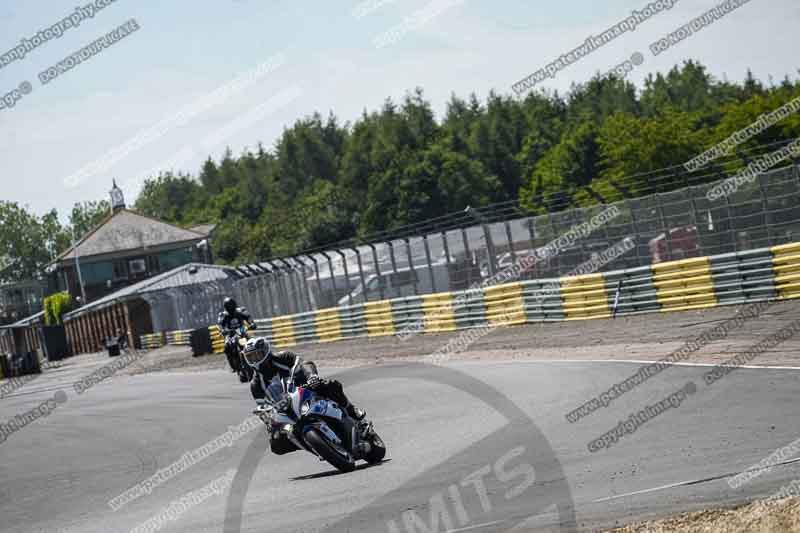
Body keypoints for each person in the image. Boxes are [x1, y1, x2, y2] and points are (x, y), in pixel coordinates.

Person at [241, 337, 365, 455]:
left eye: (257, 355)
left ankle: (351, 410)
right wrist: (269, 421)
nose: (255, 360)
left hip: (305, 390)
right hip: (286, 408)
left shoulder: (284, 356)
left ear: (266, 351)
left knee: (330, 385)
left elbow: (305, 364)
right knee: (276, 444)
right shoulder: (255, 384)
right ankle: (312, 445)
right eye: (251, 357)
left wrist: (312, 376)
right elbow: (263, 407)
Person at [218, 297, 256, 382]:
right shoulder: (223, 315)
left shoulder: (241, 311)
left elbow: (248, 317)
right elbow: (220, 324)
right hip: (230, 335)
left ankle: (257, 361)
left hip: (242, 332)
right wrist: (222, 330)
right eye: (229, 307)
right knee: (226, 347)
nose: (231, 308)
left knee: (254, 343)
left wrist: (252, 323)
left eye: (232, 306)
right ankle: (232, 366)